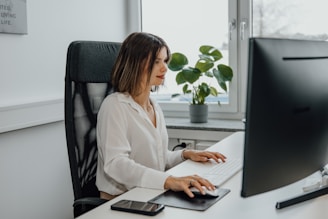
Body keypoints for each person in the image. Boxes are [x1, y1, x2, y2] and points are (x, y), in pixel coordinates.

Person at [96, 32, 226, 201]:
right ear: (135, 63)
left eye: (165, 61)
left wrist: (185, 154)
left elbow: (156, 158)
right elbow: (116, 164)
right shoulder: (114, 106)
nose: (164, 68)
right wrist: (168, 180)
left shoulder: (154, 106)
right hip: (120, 202)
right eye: (156, 61)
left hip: (150, 196)